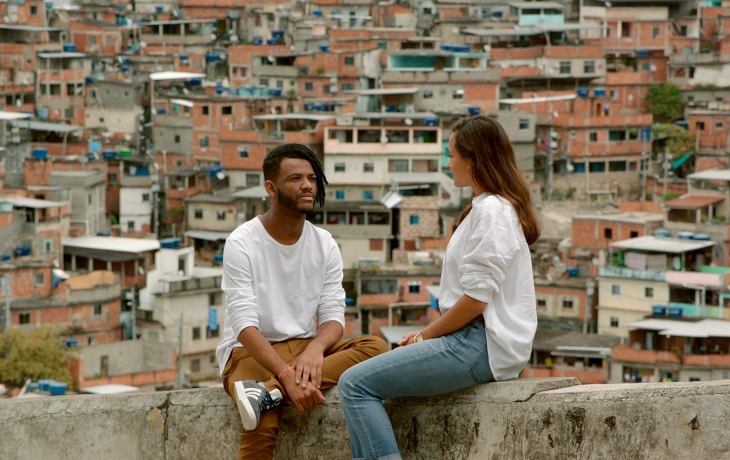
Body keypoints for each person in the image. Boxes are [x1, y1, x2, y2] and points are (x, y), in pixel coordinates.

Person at [338, 115, 541, 460]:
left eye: (452, 155)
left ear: (473, 158)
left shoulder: (493, 210)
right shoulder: (485, 208)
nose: (449, 164)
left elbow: (476, 301)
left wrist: (422, 337)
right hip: (471, 339)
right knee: (358, 383)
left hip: (479, 342)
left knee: (355, 384)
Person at [216, 143, 388, 459]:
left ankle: (267, 394)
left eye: (311, 178)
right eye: (295, 179)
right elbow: (243, 324)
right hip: (249, 351)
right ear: (271, 188)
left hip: (304, 344)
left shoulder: (324, 243)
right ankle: (270, 394)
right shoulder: (242, 242)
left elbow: (334, 315)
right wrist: (284, 375)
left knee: (375, 348)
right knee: (261, 421)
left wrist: (315, 349)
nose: (307, 185)